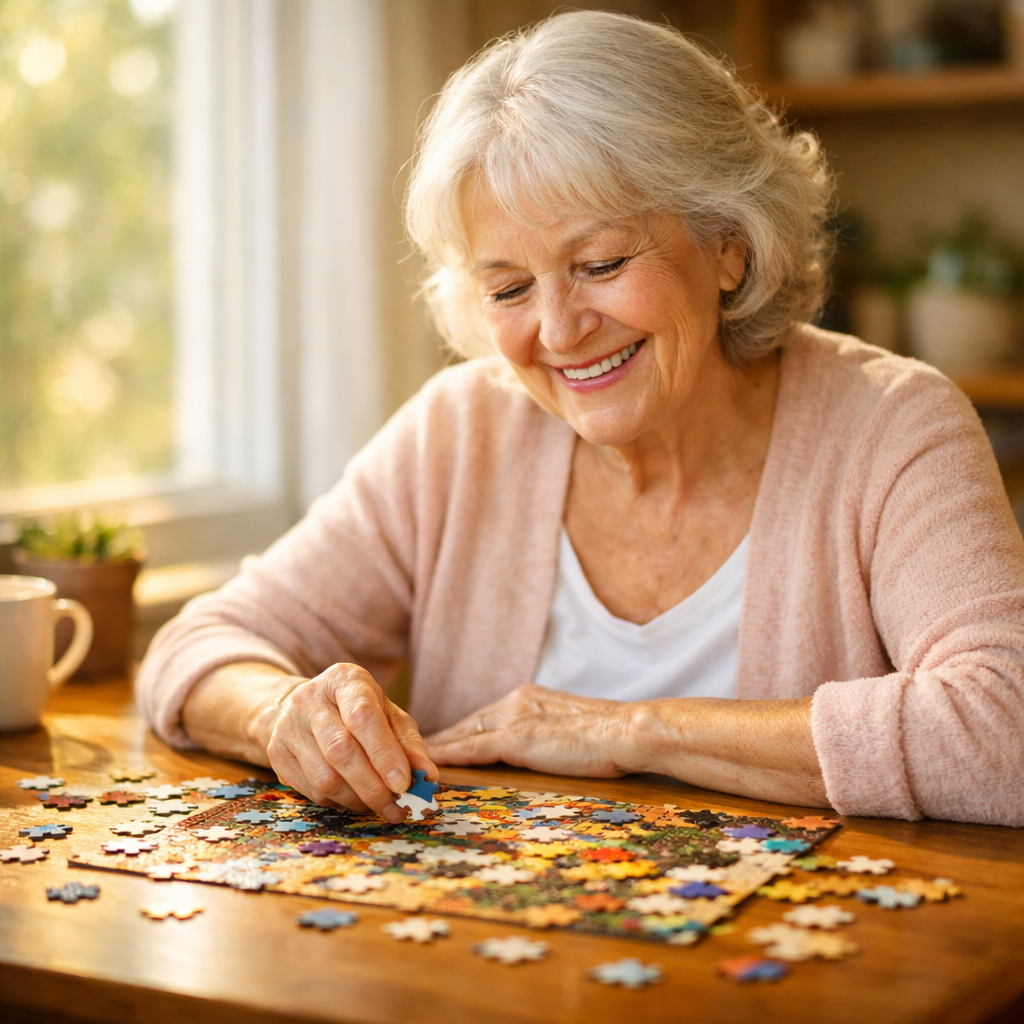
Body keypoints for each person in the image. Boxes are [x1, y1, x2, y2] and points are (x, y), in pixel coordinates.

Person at [137, 11, 1024, 828]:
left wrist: (632, 731)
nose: (559, 331)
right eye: (510, 288)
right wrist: (285, 715)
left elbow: (1007, 729)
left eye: (600, 262)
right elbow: (199, 648)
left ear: (729, 243)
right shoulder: (458, 435)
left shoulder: (893, 427)